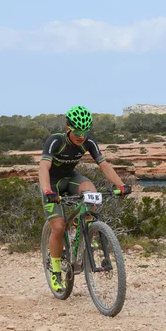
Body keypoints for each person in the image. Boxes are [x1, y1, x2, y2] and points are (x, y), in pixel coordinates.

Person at [39, 105, 131, 292]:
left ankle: (83, 229)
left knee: (92, 193)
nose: (82, 135)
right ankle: (56, 270)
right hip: (53, 183)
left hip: (71, 178)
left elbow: (103, 165)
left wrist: (120, 185)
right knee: (57, 227)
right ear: (68, 128)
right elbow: (43, 167)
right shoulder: (55, 141)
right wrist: (47, 190)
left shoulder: (88, 141)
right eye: (78, 131)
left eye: (85, 131)